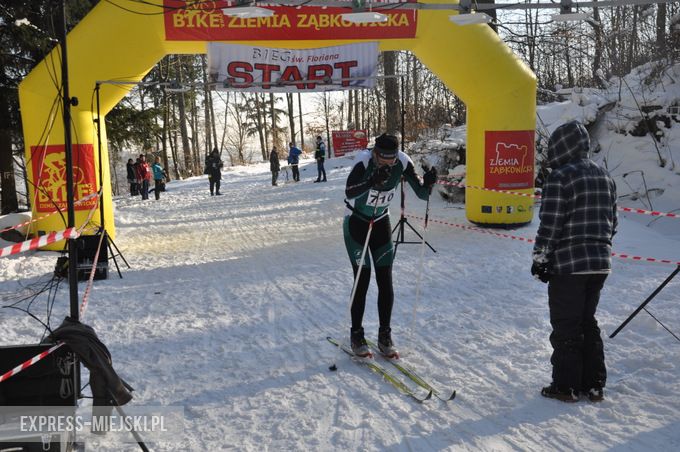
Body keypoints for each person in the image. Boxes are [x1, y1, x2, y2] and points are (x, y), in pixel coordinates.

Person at [532, 120, 617, 403]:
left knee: (567, 324)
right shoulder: (605, 176)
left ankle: (565, 386)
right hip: (600, 262)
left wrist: (541, 257)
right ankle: (593, 384)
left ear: (560, 146)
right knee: (586, 320)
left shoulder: (560, 177)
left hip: (570, 265)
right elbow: (612, 222)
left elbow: (551, 223)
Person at [343, 133, 437, 358]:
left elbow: (422, 194)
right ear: (375, 153)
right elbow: (349, 190)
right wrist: (371, 181)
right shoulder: (363, 160)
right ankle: (357, 334)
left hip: (381, 223)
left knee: (385, 279)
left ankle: (385, 335)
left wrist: (430, 182)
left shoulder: (403, 161)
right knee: (362, 280)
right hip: (356, 223)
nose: (388, 162)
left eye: (391, 159)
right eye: (383, 158)